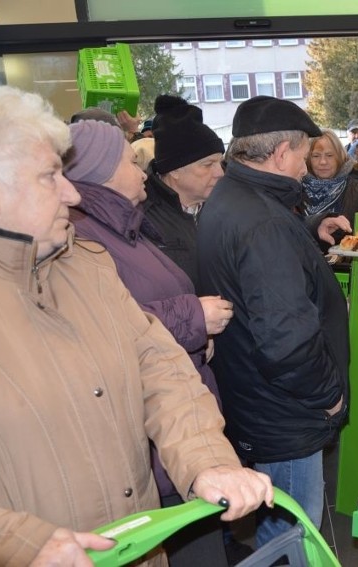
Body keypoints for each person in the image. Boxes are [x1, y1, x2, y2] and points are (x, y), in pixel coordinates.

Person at [0, 86, 273, 565]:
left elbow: (160, 367)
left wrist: (206, 460)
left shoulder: (85, 264)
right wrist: (15, 542)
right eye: (50, 177)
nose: (71, 192)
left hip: (144, 550)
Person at [64, 119, 234, 565]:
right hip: (153, 437)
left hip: (177, 428)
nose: (142, 171)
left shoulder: (119, 225)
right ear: (100, 171)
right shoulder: (84, 237)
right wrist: (192, 318)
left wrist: (192, 332)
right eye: (128, 161)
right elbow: (109, 325)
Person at [196, 95, 350, 550]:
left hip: (252, 401)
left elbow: (254, 271)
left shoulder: (231, 197)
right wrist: (329, 398)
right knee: (295, 542)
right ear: (282, 153)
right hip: (285, 415)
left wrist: (305, 234)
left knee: (270, 537)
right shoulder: (263, 222)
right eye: (304, 153)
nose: (306, 166)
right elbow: (287, 342)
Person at [143, 95, 226, 286]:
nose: (220, 173)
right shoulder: (142, 218)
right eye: (208, 165)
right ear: (175, 170)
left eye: (220, 162)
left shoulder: (226, 204)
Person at [303, 129, 358, 228]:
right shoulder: (296, 189)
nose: (323, 162)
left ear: (339, 157)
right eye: (316, 156)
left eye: (329, 155)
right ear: (308, 159)